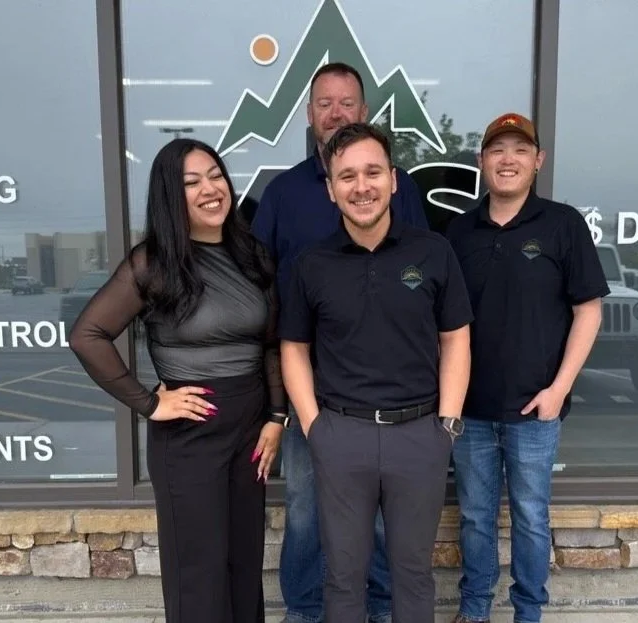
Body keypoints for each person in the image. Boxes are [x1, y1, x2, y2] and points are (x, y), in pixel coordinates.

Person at [68, 138, 287, 623]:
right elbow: (88, 334)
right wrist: (149, 403)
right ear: (171, 194)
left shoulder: (252, 255)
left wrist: (276, 416)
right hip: (189, 435)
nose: (211, 189)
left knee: (243, 563)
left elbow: (270, 344)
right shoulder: (155, 263)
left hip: (251, 430)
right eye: (192, 182)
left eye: (215, 175)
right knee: (198, 571)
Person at [250, 61, 429, 623]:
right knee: (304, 507)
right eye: (324, 103)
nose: (335, 112)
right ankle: (305, 609)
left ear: (364, 111)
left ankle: (376, 607)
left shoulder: (398, 187)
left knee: (376, 514)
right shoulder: (281, 194)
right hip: (312, 395)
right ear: (309, 114)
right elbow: (257, 287)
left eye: (346, 102)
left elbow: (425, 278)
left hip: (389, 396)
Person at [279, 121, 472, 622]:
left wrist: (447, 425)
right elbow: (293, 347)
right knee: (343, 577)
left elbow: (455, 338)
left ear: (393, 179)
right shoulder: (311, 263)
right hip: (341, 434)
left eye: (371, 172)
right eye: (346, 176)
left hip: (420, 435)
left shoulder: (433, 251)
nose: (360, 186)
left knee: (412, 574)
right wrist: (314, 427)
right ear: (331, 189)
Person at [445, 113, 609, 623]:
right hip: (470, 411)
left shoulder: (563, 225)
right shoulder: (458, 232)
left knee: (531, 519)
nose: (508, 159)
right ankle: (474, 612)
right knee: (474, 519)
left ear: (538, 160)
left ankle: (528, 614)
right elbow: (444, 324)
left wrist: (559, 389)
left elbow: (589, 310)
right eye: (497, 150)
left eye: (520, 149)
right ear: (481, 162)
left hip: (536, 408)